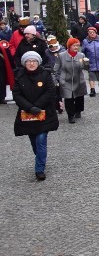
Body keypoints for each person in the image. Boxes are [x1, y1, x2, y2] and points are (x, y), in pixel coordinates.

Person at [12, 51, 59, 180]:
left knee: (41, 139)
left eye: (34, 61)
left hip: (45, 113)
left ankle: (39, 169)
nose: (31, 63)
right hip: (27, 113)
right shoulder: (19, 76)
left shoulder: (45, 74)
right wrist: (30, 107)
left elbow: (51, 92)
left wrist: (38, 106)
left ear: (38, 62)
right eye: (28, 61)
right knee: (34, 140)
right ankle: (40, 157)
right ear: (24, 63)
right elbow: (16, 95)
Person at [52, 38, 89, 123]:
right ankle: (71, 115)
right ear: (69, 46)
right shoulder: (61, 56)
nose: (76, 47)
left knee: (79, 96)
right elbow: (55, 69)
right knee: (69, 98)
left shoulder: (81, 55)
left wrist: (86, 63)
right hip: (65, 80)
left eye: (77, 45)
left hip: (79, 79)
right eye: (74, 45)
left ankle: (78, 110)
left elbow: (86, 68)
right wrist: (55, 81)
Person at [82, 26, 99, 96]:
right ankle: (92, 90)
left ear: (96, 32)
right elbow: (83, 51)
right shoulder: (85, 41)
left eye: (93, 32)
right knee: (91, 76)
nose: (91, 34)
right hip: (91, 61)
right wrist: (85, 59)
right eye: (90, 32)